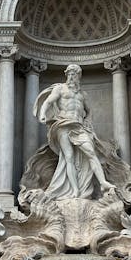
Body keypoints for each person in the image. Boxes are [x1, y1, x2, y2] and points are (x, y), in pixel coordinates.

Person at [35, 64, 116, 200]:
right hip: (63, 125)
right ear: (66, 75)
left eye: (75, 74)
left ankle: (103, 182)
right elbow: (48, 102)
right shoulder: (60, 89)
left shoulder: (83, 95)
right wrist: (43, 114)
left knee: (91, 152)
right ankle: (75, 191)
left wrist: (88, 122)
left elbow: (89, 112)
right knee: (69, 157)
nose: (72, 77)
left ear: (79, 77)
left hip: (79, 127)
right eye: (70, 74)